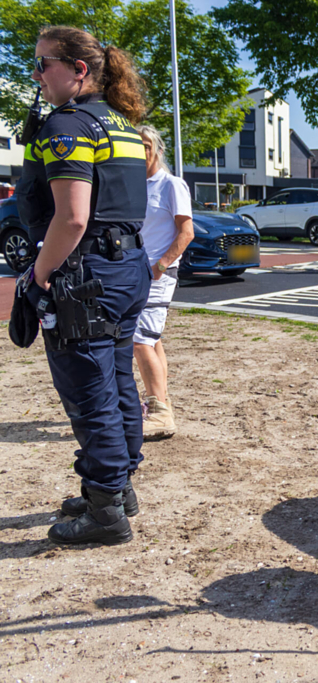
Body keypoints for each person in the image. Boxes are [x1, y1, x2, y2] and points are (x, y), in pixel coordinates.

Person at [17, 25, 151, 546]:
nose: (36, 75)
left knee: (89, 394)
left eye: (43, 63)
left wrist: (39, 275)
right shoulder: (119, 123)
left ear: (78, 70)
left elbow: (71, 219)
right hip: (125, 269)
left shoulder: (68, 125)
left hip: (86, 275)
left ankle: (105, 513)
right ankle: (118, 489)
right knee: (117, 383)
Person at [134, 125, 194, 440]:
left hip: (158, 275)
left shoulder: (171, 185)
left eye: (145, 145)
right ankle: (159, 399)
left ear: (157, 149)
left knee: (139, 338)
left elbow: (187, 232)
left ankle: (160, 414)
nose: (140, 151)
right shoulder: (135, 186)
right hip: (137, 274)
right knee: (152, 338)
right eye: (135, 145)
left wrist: (161, 265)